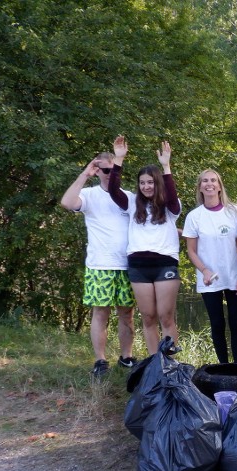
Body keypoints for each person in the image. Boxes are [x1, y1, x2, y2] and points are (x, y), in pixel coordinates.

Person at [60, 152, 137, 379]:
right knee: (100, 313)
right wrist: (85, 173)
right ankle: (101, 360)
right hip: (99, 265)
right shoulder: (89, 195)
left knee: (127, 314)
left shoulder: (129, 197)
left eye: (114, 170)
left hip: (126, 265)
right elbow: (66, 203)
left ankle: (126, 357)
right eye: (105, 170)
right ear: (97, 171)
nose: (109, 174)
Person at [108, 136, 182, 355]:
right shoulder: (131, 202)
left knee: (165, 316)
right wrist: (118, 160)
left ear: (157, 183)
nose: (146, 186)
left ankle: (172, 364)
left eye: (150, 182)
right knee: (148, 317)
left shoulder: (171, 207)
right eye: (143, 182)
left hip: (165, 264)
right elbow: (113, 190)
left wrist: (166, 166)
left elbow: (172, 195)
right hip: (139, 265)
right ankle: (154, 365)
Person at [182, 170, 237, 363]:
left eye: (213, 180)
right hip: (209, 279)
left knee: (236, 323)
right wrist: (204, 270)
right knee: (217, 324)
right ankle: (223, 366)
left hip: (234, 277)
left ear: (219, 186)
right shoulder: (194, 216)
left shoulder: (233, 211)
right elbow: (191, 251)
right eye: (204, 181)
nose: (209, 184)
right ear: (200, 187)